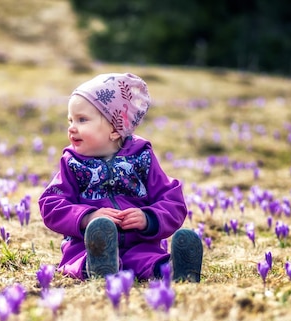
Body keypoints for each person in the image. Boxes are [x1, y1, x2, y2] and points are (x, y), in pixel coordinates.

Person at [38, 73, 202, 281]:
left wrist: (148, 218)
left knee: (149, 261)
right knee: (85, 258)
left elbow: (173, 201)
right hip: (88, 245)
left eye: (82, 120)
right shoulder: (72, 163)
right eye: (70, 120)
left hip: (140, 243)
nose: (71, 127)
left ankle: (175, 269)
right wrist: (87, 217)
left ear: (115, 129)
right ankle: (97, 267)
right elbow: (51, 204)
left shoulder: (142, 157)